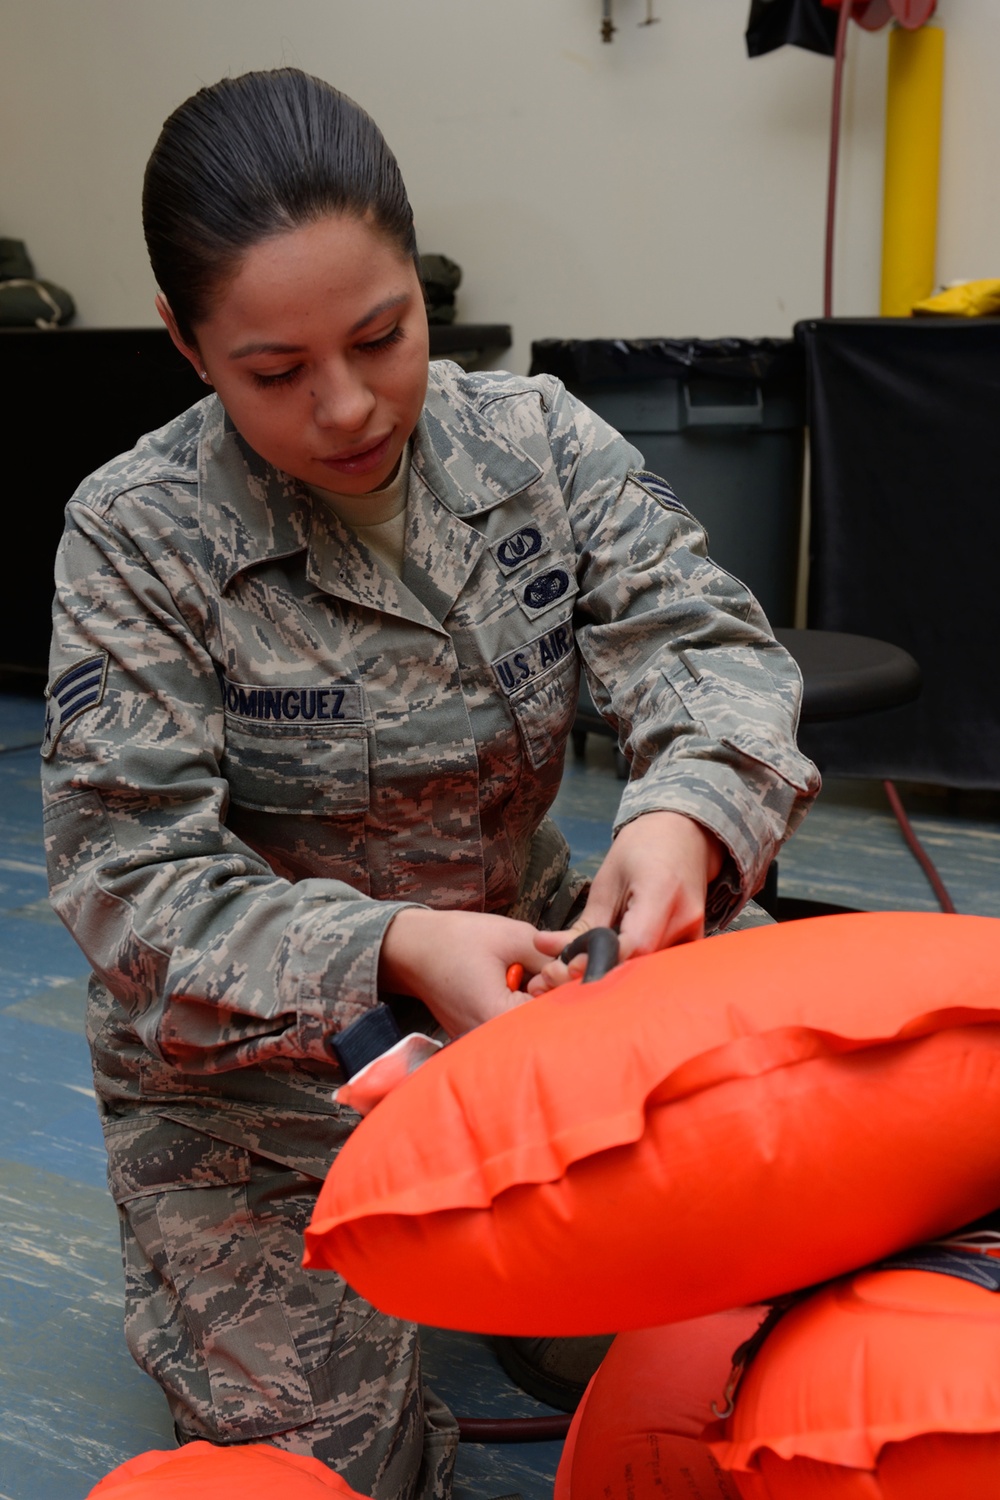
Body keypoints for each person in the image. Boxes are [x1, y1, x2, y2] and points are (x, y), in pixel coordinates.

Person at [41, 68, 819, 1500]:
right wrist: (387, 947)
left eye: (382, 336)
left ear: (418, 277)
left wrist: (683, 816)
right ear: (184, 343)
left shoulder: (535, 440)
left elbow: (709, 647)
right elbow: (125, 881)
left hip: (554, 989)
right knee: (335, 1466)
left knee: (765, 1356)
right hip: (264, 1090)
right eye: (274, 372)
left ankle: (565, 1274)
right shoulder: (136, 536)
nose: (346, 406)